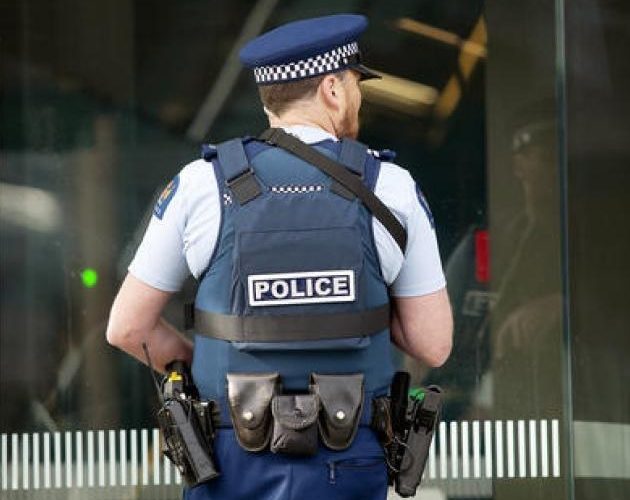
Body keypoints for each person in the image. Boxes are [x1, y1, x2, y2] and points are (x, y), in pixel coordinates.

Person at [106, 13, 452, 500]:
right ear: (332, 89)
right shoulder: (392, 189)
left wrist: (204, 364)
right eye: (355, 84)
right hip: (351, 459)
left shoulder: (200, 186)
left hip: (227, 463)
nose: (358, 97)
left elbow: (126, 329)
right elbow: (432, 344)